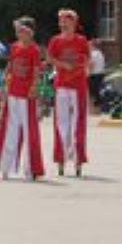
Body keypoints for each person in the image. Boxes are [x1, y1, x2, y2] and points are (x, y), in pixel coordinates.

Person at [0, 17, 44, 181]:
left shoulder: (34, 50)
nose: (18, 33)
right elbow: (10, 66)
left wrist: (34, 88)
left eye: (21, 30)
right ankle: (5, 166)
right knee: (10, 130)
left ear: (29, 32)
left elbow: (36, 71)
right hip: (13, 93)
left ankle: (30, 169)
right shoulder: (14, 47)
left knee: (29, 132)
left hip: (27, 95)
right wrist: (4, 81)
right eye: (17, 31)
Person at [47, 9, 90, 176]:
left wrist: (81, 66)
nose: (62, 24)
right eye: (60, 22)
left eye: (65, 21)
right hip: (62, 85)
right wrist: (63, 65)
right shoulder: (55, 41)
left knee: (78, 123)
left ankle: (78, 157)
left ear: (73, 23)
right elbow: (50, 58)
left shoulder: (81, 41)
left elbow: (86, 59)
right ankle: (61, 156)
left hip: (78, 86)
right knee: (61, 123)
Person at [88, 39, 106, 113]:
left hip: (94, 75)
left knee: (93, 93)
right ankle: (97, 109)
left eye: (89, 45)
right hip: (100, 74)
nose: (88, 47)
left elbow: (91, 65)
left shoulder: (93, 54)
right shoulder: (100, 53)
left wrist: (86, 73)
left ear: (92, 46)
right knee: (97, 92)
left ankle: (93, 110)